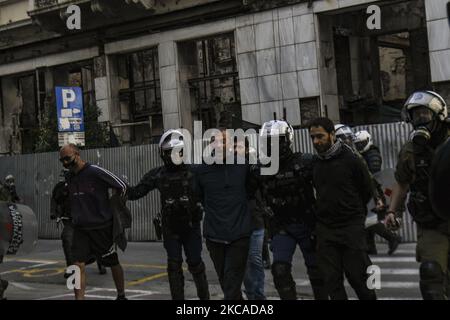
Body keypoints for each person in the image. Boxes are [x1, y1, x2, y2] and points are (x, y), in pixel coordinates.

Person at [126, 129, 209, 300]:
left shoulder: (195, 172)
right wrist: (121, 188)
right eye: (169, 152)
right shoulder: (158, 174)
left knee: (195, 263)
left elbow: (211, 194)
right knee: (174, 265)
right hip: (170, 227)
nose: (173, 156)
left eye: (176, 152)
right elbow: (136, 192)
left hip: (191, 226)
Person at [385, 90, 450, 300]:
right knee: (431, 274)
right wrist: (393, 211)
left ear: (439, 116)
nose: (420, 120)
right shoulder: (410, 151)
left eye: (425, 114)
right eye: (416, 116)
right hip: (431, 223)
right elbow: (402, 184)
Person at [255, 119, 326, 300]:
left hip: (308, 224)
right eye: (268, 141)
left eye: (276, 140)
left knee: (318, 271)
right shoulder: (261, 168)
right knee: (279, 270)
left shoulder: (306, 162)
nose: (272, 145)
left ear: (287, 140)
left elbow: (329, 185)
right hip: (282, 227)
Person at [308, 117, 377, 300]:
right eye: (313, 137)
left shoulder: (352, 160)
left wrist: (355, 216)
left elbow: (367, 190)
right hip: (326, 230)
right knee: (331, 280)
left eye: (320, 136)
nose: (316, 141)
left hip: (351, 228)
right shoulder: (315, 163)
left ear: (332, 135)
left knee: (359, 278)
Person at [192, 128, 256, 300]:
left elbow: (252, 193)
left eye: (224, 141)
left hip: (239, 236)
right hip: (214, 237)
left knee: (231, 282)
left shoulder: (244, 166)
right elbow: (199, 197)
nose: (220, 145)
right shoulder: (201, 170)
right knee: (227, 283)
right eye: (216, 141)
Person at [59, 144, 127, 300]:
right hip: (80, 229)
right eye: (62, 160)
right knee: (77, 265)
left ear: (77, 154)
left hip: (101, 227)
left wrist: (115, 204)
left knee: (112, 262)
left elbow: (122, 186)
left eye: (67, 158)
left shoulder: (95, 172)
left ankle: (121, 295)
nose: (65, 163)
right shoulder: (69, 176)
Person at [50, 169, 107, 278]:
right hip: (70, 220)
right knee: (67, 239)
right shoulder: (60, 187)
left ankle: (100, 261)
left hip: (86, 219)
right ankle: (71, 268)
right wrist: (54, 213)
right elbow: (54, 199)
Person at [354, 130, 401, 255]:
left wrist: (376, 196)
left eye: (362, 143)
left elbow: (373, 175)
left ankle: (392, 238)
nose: (359, 146)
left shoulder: (372, 155)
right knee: (369, 218)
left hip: (373, 191)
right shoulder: (367, 154)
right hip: (370, 191)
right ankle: (370, 246)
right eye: (358, 144)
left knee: (369, 220)